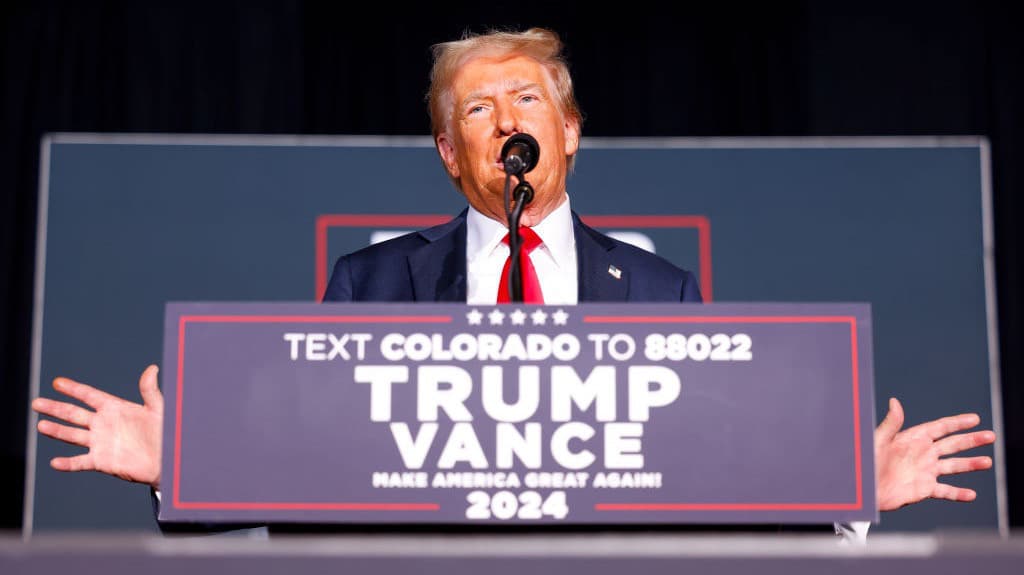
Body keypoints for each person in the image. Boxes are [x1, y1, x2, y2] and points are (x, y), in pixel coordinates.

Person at [32, 27, 995, 538]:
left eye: (527, 99)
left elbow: (711, 476)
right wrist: (186, 465)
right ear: (451, 154)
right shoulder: (371, 282)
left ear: (568, 131)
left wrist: (845, 494)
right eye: (478, 109)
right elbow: (311, 463)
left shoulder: (660, 291)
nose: (506, 121)